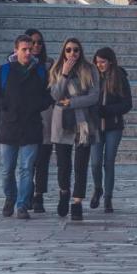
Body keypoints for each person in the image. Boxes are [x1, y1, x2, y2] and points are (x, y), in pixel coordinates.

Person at [0, 34, 53, 219]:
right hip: (9, 126)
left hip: (31, 126)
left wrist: (39, 104)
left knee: (27, 169)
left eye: (30, 49)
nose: (28, 53)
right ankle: (10, 197)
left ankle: (22, 204)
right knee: (7, 169)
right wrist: (3, 104)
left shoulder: (40, 71)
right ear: (16, 50)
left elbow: (49, 95)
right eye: (24, 49)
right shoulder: (4, 71)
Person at [47, 38, 101, 222]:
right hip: (62, 122)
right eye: (68, 50)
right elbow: (55, 95)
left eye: (76, 50)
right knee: (63, 165)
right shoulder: (56, 69)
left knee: (80, 165)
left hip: (83, 123)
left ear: (81, 51)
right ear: (64, 51)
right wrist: (64, 74)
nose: (72, 54)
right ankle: (64, 191)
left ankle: (77, 202)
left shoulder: (90, 69)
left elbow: (94, 96)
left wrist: (72, 102)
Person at [90, 47, 132, 212]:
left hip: (113, 126)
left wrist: (107, 110)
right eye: (97, 62)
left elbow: (127, 104)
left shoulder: (120, 77)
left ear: (110, 62)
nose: (99, 65)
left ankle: (108, 197)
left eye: (103, 62)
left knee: (109, 162)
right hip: (95, 126)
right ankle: (97, 188)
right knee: (95, 162)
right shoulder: (92, 77)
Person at [23, 29, 55, 214]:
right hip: (25, 118)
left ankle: (39, 195)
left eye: (39, 43)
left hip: (45, 117)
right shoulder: (16, 64)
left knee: (42, 160)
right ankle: (26, 194)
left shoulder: (49, 65)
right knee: (27, 162)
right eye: (32, 42)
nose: (35, 46)